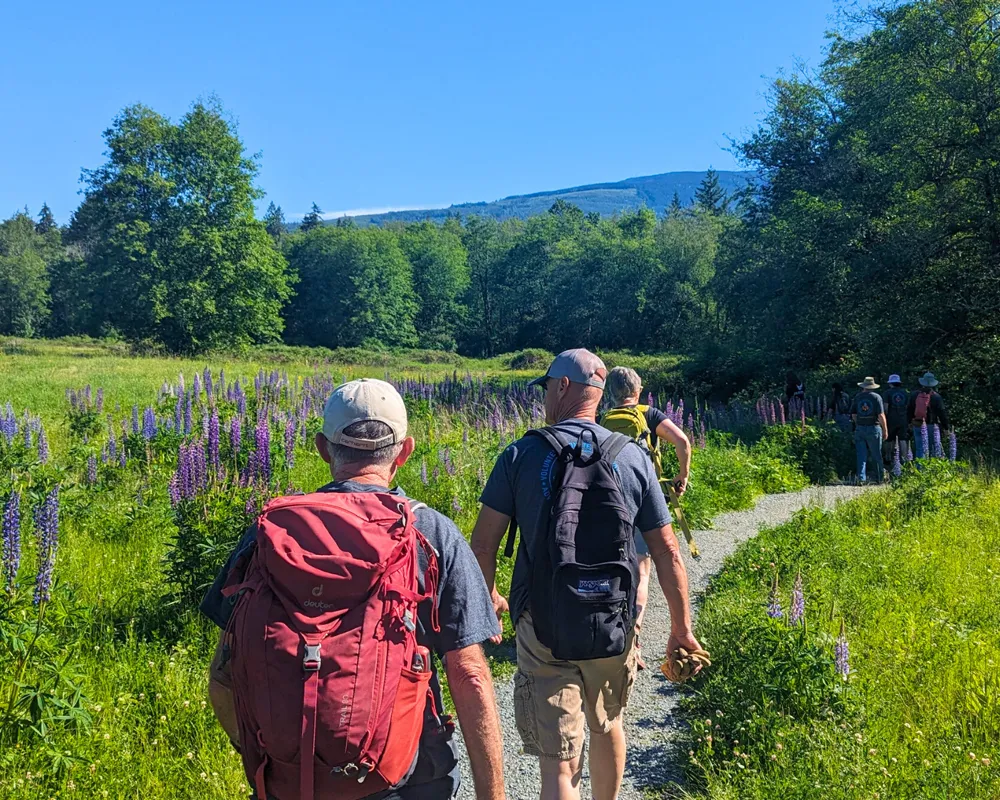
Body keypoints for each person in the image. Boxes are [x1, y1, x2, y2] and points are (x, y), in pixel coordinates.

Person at [201, 379, 506, 800]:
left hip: (285, 783)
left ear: (323, 448)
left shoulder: (269, 533)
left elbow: (222, 678)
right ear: (405, 450)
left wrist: (275, 761)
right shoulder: (432, 533)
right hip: (404, 780)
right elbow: (469, 675)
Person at [469, 349, 702, 800]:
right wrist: (680, 627)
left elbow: (483, 545)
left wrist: (492, 600)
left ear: (561, 388)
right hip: (613, 621)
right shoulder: (633, 458)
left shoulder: (520, 453)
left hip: (543, 623)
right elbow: (667, 550)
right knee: (608, 724)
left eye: (546, 388)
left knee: (558, 764)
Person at [599, 366, 691, 671]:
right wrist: (682, 475)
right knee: (642, 572)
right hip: (644, 501)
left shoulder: (603, 420)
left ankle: (605, 630)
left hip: (608, 502)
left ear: (609, 393)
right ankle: (633, 640)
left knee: (613, 568)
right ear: (638, 390)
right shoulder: (649, 415)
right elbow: (683, 442)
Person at [850, 376, 889, 483]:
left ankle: (861, 478)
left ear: (863, 386)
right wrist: (885, 430)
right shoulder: (877, 397)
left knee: (861, 454)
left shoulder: (857, 397)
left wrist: (859, 423)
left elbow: (853, 414)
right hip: (874, 428)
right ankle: (880, 477)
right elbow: (881, 415)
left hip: (860, 428)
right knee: (876, 454)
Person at [907, 372, 950, 459]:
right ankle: (932, 468)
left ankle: (920, 469)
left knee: (920, 448)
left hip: (917, 424)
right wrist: (946, 427)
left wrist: (909, 423)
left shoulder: (914, 395)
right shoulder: (936, 397)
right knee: (933, 448)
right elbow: (942, 413)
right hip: (931, 425)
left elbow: (909, 410)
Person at [881, 374, 910, 464]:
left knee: (889, 439)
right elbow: (907, 406)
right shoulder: (905, 392)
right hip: (903, 418)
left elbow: (885, 407)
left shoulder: (887, 393)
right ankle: (904, 459)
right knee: (903, 439)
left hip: (891, 418)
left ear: (891, 383)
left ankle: (888, 457)